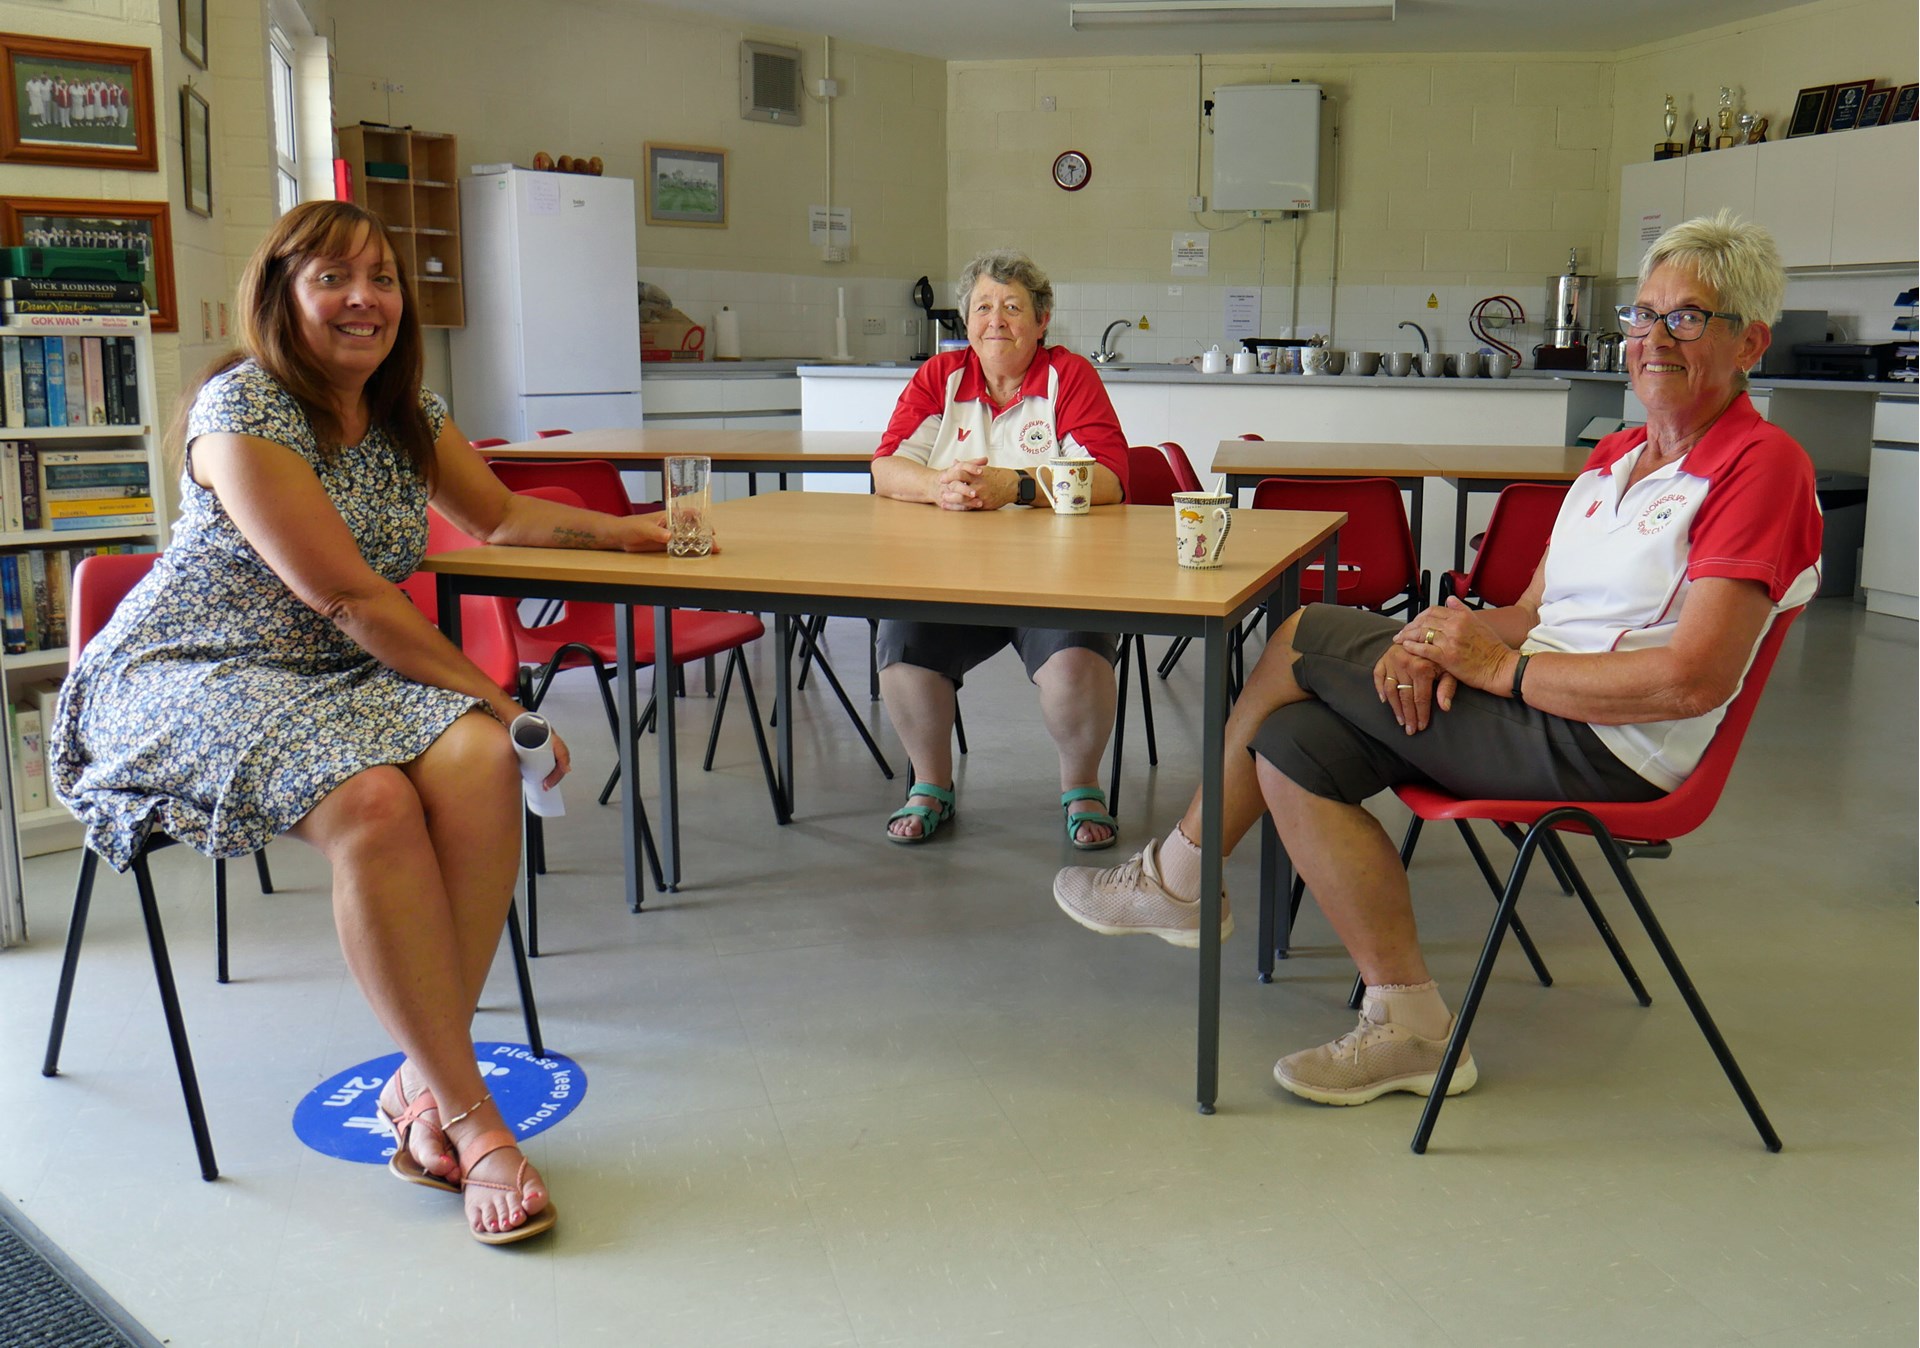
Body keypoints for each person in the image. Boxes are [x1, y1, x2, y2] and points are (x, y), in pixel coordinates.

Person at [1054, 211, 1822, 1106]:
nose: (1653, 338)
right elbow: (1533, 610)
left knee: (1305, 633)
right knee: (1291, 744)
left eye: (1687, 318)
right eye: (1642, 317)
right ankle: (1412, 1027)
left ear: (1750, 343)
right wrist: (1433, 641)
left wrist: (1495, 670)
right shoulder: (1614, 457)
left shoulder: (1763, 469)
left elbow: (1693, 677)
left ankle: (1180, 877)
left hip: (1613, 745)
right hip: (1534, 704)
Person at [49, 201, 677, 1245]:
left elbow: (502, 517)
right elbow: (349, 598)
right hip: (192, 672)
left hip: (335, 672)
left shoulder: (406, 413)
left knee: (479, 761)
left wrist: (633, 534)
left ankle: (419, 1086)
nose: (363, 299)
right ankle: (469, 1116)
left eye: (381, 278)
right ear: (281, 295)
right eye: (333, 278)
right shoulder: (243, 409)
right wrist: (504, 695)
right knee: (377, 799)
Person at [870, 249, 1132, 849]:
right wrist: (938, 486)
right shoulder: (941, 377)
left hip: (1057, 581)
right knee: (902, 646)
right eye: (983, 307)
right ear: (966, 322)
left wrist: (1013, 484)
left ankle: (1081, 786)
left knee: (1075, 664)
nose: (996, 320)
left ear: (1042, 321)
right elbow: (887, 470)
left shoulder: (1071, 377)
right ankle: (931, 785)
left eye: (1013, 307)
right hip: (949, 579)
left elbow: (1112, 480)